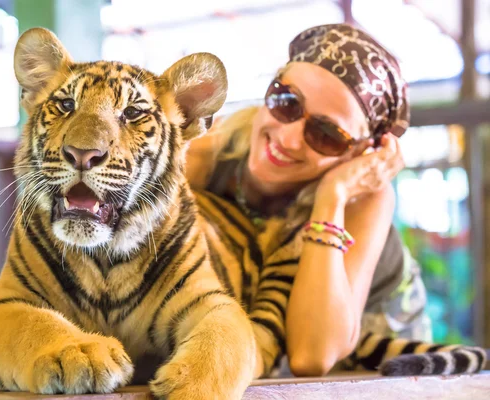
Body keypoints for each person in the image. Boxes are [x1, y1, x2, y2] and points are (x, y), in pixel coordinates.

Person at [185, 23, 432, 376]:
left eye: (327, 134)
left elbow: (312, 355)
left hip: (380, 332)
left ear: (361, 153)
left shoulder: (366, 196)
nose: (287, 138)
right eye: (286, 102)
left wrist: (333, 195)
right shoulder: (204, 152)